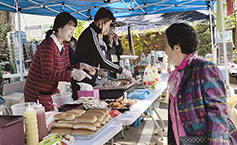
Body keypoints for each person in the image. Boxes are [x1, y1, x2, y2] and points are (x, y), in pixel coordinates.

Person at [165, 23, 237, 145]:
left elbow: (218, 113)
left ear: (177, 47)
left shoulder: (204, 68)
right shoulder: (177, 74)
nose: (165, 51)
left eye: (166, 46)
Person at [24, 12, 96, 111]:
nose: (72, 33)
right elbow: (47, 75)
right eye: (70, 29)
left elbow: (66, 69)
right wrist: (72, 73)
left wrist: (81, 66)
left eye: (73, 30)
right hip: (37, 93)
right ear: (59, 28)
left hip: (51, 91)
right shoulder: (48, 46)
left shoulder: (65, 46)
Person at [72, 7, 132, 100]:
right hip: (82, 82)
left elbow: (97, 58)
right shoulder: (91, 34)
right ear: (100, 23)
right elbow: (103, 60)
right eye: (107, 25)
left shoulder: (95, 34)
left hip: (89, 79)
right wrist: (122, 70)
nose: (108, 29)